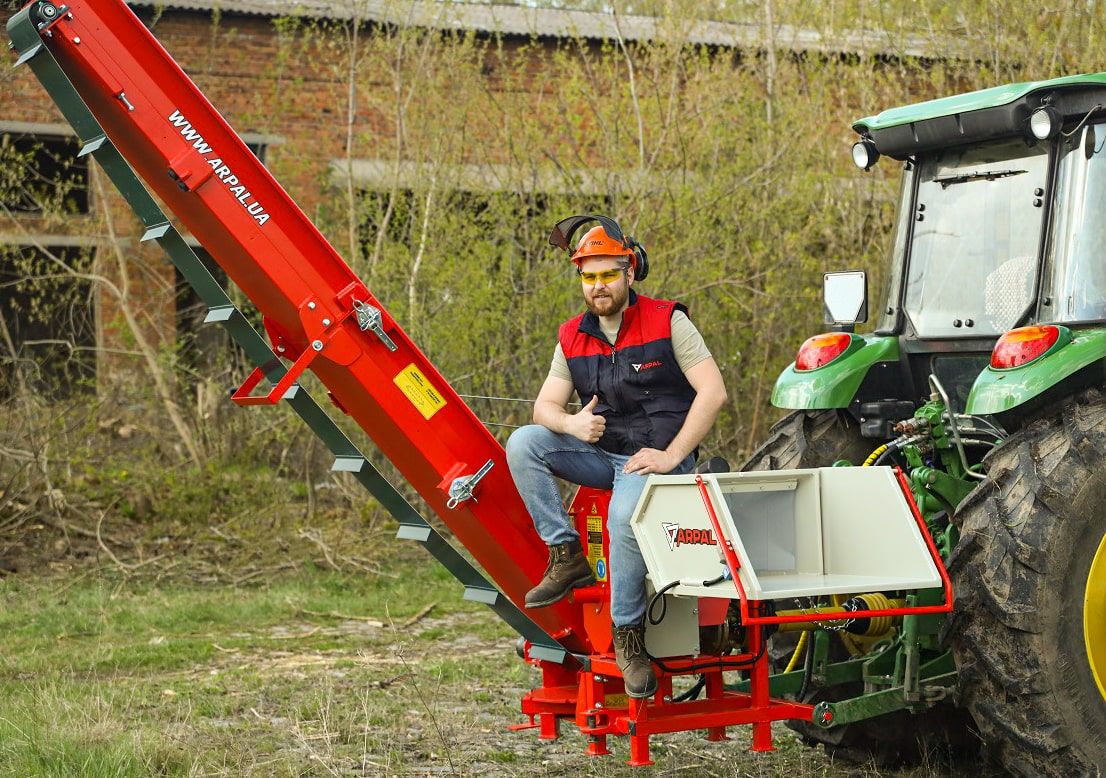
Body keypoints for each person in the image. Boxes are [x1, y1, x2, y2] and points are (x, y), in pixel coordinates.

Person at [506, 215, 727, 698]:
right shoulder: (572, 336)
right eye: (589, 276)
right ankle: (566, 556)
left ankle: (629, 636)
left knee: (624, 517)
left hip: (654, 458)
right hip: (603, 455)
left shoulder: (669, 321)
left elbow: (713, 392)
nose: (599, 286)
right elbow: (544, 406)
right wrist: (570, 424)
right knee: (524, 442)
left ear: (631, 271)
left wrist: (671, 456)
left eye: (609, 274)